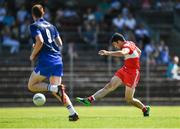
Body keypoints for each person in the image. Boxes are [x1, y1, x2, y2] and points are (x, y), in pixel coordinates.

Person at [76, 33, 150, 117]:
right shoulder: (131, 43)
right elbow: (139, 51)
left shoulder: (126, 46)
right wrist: (134, 60)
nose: (115, 47)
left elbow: (123, 53)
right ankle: (89, 100)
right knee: (109, 86)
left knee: (129, 99)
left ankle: (144, 108)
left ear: (119, 41)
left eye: (115, 44)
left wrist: (107, 53)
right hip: (125, 69)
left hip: (132, 73)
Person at [28, 4, 79, 121]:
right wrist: (42, 45)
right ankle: (73, 113)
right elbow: (60, 43)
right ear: (43, 13)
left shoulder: (34, 26)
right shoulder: (51, 26)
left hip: (46, 60)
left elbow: (40, 41)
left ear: (32, 14)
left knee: (31, 85)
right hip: (57, 59)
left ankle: (55, 88)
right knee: (58, 92)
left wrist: (33, 54)